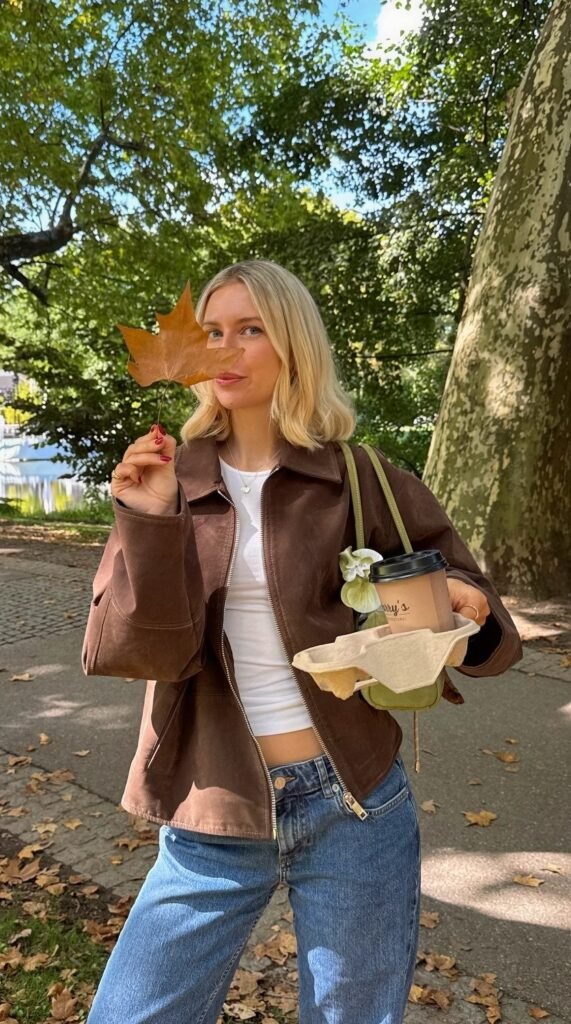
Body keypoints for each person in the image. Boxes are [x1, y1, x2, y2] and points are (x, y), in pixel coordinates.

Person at [82, 259, 522, 1024]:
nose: (226, 348)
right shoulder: (166, 479)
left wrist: (462, 601)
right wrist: (148, 522)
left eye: (250, 330)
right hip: (212, 809)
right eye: (212, 332)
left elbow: (464, 587)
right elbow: (133, 651)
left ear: (294, 345)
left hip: (356, 803)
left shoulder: (358, 476)